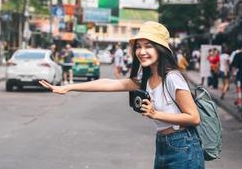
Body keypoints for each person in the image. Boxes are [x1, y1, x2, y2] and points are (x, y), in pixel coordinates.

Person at [39, 21, 205, 168]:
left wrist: (156, 114)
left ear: (160, 49)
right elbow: (109, 83)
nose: (141, 51)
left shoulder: (172, 77)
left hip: (184, 146)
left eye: (148, 46)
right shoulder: (146, 78)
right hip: (163, 143)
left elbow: (193, 117)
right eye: (138, 46)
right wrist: (69, 87)